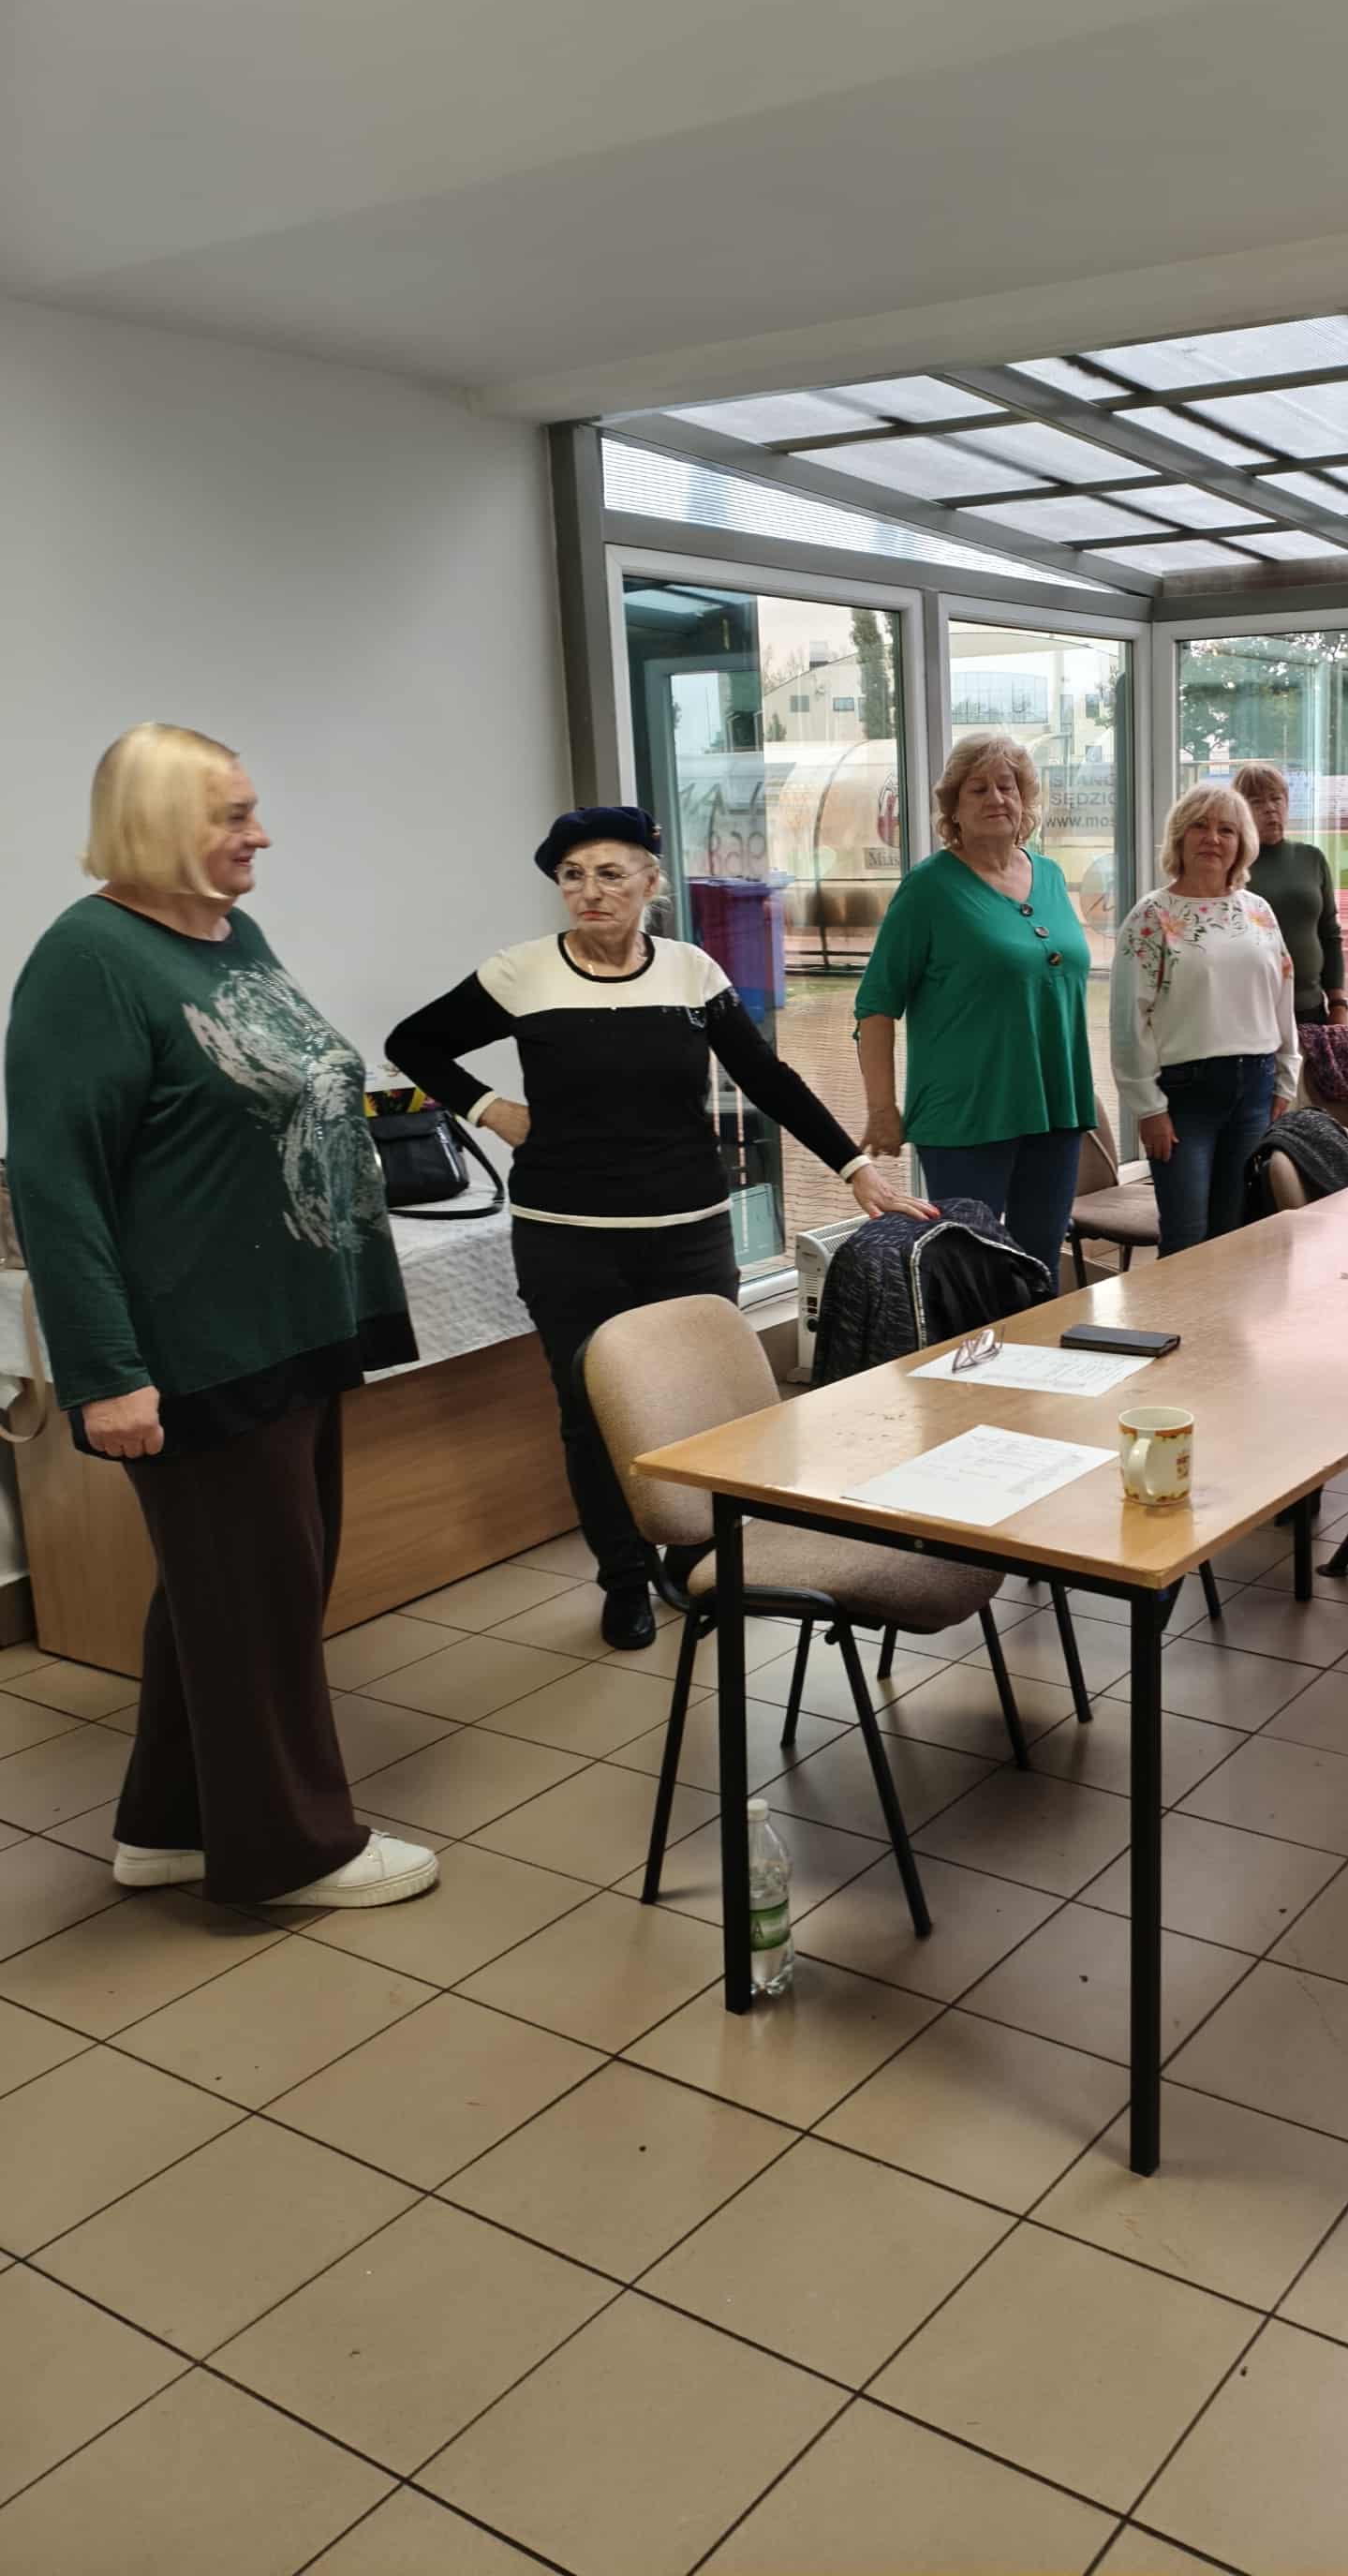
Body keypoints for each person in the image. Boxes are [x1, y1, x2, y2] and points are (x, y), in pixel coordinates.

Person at [4, 725, 437, 1909]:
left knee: (234, 1593)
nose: (260, 835)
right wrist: (105, 1373)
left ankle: (169, 1826)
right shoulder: (89, 961)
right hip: (199, 1347)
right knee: (259, 1602)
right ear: (155, 821)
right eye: (232, 816)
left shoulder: (227, 934)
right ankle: (293, 1850)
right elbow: (55, 1184)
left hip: (293, 1320)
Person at [388, 807, 930, 1648]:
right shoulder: (522, 973)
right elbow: (413, 1043)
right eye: (572, 876)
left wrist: (854, 1167)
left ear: (650, 884)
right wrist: (492, 1109)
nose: (590, 891)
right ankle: (624, 1579)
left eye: (611, 874)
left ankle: (695, 1559)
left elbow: (768, 1079)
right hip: (566, 1234)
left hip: (687, 1232)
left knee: (697, 1406)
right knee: (588, 1410)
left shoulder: (690, 972)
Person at [855, 735, 1094, 1286]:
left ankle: (1040, 1348)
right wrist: (882, 1110)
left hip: (1054, 1109)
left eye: (1007, 787)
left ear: (1024, 799)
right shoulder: (929, 889)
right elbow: (875, 1006)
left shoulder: (1050, 876)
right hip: (966, 1115)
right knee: (973, 1277)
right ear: (954, 808)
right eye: (978, 789)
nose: (996, 798)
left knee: (1040, 1268)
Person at [1111, 781, 1299, 1254]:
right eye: (1199, 826)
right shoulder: (1151, 916)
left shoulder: (1258, 911)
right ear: (1179, 837)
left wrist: (1285, 1078)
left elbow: (1282, 995)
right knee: (1187, 1236)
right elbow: (1128, 1019)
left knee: (1237, 1232)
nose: (1212, 838)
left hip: (1255, 1088)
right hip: (1183, 1098)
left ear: (1242, 844)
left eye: (1226, 830)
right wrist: (1148, 1108)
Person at [1231, 761, 1348, 1026]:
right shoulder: (1233, 866)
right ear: (1240, 811)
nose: (1270, 808)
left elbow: (1329, 934)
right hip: (1252, 1015)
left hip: (1310, 1010)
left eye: (1276, 799)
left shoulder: (1312, 859)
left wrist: (1338, 1004)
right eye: (1257, 802)